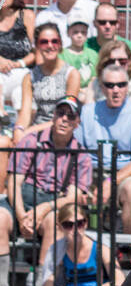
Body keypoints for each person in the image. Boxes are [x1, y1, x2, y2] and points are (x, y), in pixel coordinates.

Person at [9, 98, 93, 272]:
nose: (64, 119)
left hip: (53, 203)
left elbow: (73, 197)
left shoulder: (81, 155)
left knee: (55, 222)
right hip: (22, 200)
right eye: (60, 113)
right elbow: (14, 182)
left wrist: (43, 208)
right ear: (53, 116)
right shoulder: (32, 140)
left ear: (77, 123)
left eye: (70, 116)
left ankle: (41, 284)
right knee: (1, 218)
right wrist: (21, 216)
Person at [14, 201, 123, 286]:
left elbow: (120, 281)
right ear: (60, 227)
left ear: (86, 223)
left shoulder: (100, 247)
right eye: (68, 225)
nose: (75, 230)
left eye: (79, 223)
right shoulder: (58, 250)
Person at [19, 23, 81, 131]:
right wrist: (19, 129)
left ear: (60, 44)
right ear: (37, 46)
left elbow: (68, 114)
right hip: (35, 130)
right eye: (44, 42)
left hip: (62, 130)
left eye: (54, 41)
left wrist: (32, 130)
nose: (50, 46)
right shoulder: (30, 77)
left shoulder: (71, 74)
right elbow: (25, 113)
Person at [0, 0, 35, 120]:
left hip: (21, 70)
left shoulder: (26, 16)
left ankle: (21, 131)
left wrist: (17, 64)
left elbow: (35, 52)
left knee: (21, 93)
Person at [82, 41, 131, 107]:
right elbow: (89, 112)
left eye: (122, 61)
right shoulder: (96, 83)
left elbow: (129, 114)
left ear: (130, 61)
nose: (116, 65)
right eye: (110, 62)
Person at [86, 4, 131, 74]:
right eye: (102, 22)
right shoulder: (84, 47)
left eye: (112, 22)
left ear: (117, 24)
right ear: (94, 23)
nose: (107, 26)